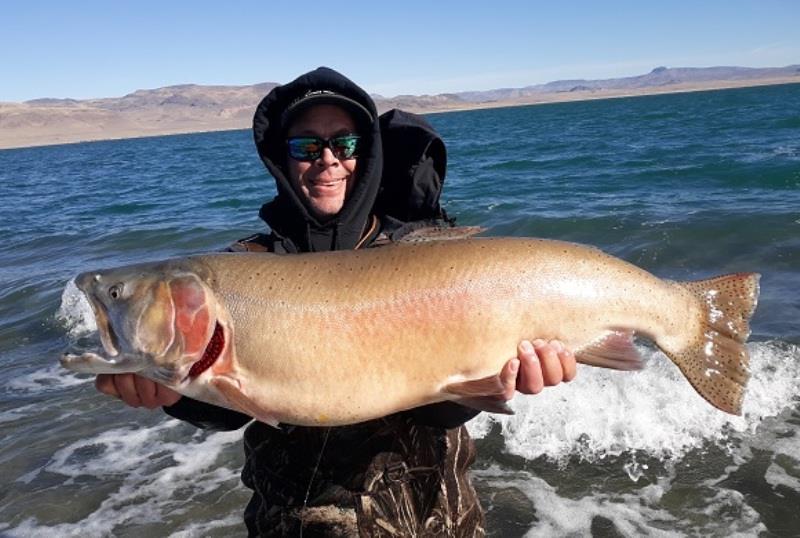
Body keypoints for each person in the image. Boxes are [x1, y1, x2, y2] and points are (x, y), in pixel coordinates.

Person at [95, 67, 577, 537]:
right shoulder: (242, 266)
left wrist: (505, 377)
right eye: (306, 145)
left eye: (345, 144)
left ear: (366, 155)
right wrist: (173, 396)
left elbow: (441, 409)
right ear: (280, 159)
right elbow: (230, 408)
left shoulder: (430, 254)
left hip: (436, 519)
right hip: (292, 522)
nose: (328, 159)